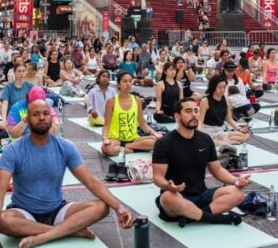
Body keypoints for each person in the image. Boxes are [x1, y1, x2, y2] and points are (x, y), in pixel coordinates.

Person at [0, 96, 134, 248]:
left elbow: (90, 181)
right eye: (35, 114)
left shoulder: (65, 146)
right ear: (27, 119)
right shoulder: (13, 150)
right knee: (3, 220)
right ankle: (69, 231)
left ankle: (45, 236)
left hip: (57, 211)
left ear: (51, 117)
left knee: (102, 207)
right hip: (24, 212)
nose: (41, 117)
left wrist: (119, 208)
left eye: (45, 113)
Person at [151, 97, 249, 226]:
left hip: (202, 194)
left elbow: (217, 170)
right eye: (188, 111)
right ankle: (215, 219)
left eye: (196, 111)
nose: (194, 115)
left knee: (238, 193)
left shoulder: (205, 139)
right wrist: (168, 186)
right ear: (177, 116)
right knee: (167, 198)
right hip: (177, 196)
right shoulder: (164, 143)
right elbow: (157, 177)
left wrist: (236, 181)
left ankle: (191, 217)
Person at [100, 71, 158, 157]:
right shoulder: (111, 101)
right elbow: (106, 125)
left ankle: (128, 147)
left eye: (130, 81)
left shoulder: (137, 100)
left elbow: (142, 124)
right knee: (106, 148)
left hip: (134, 139)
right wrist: (105, 138)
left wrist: (154, 133)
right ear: (118, 85)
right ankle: (132, 149)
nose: (128, 84)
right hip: (116, 139)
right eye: (125, 81)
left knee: (157, 142)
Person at [199, 75, 250, 147]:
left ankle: (225, 141)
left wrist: (240, 129)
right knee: (209, 141)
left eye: (224, 87)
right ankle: (224, 142)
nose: (222, 90)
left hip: (220, 131)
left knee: (246, 136)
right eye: (220, 87)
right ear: (213, 87)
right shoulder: (205, 101)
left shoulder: (226, 100)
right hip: (208, 130)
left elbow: (229, 119)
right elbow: (200, 121)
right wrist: (200, 135)